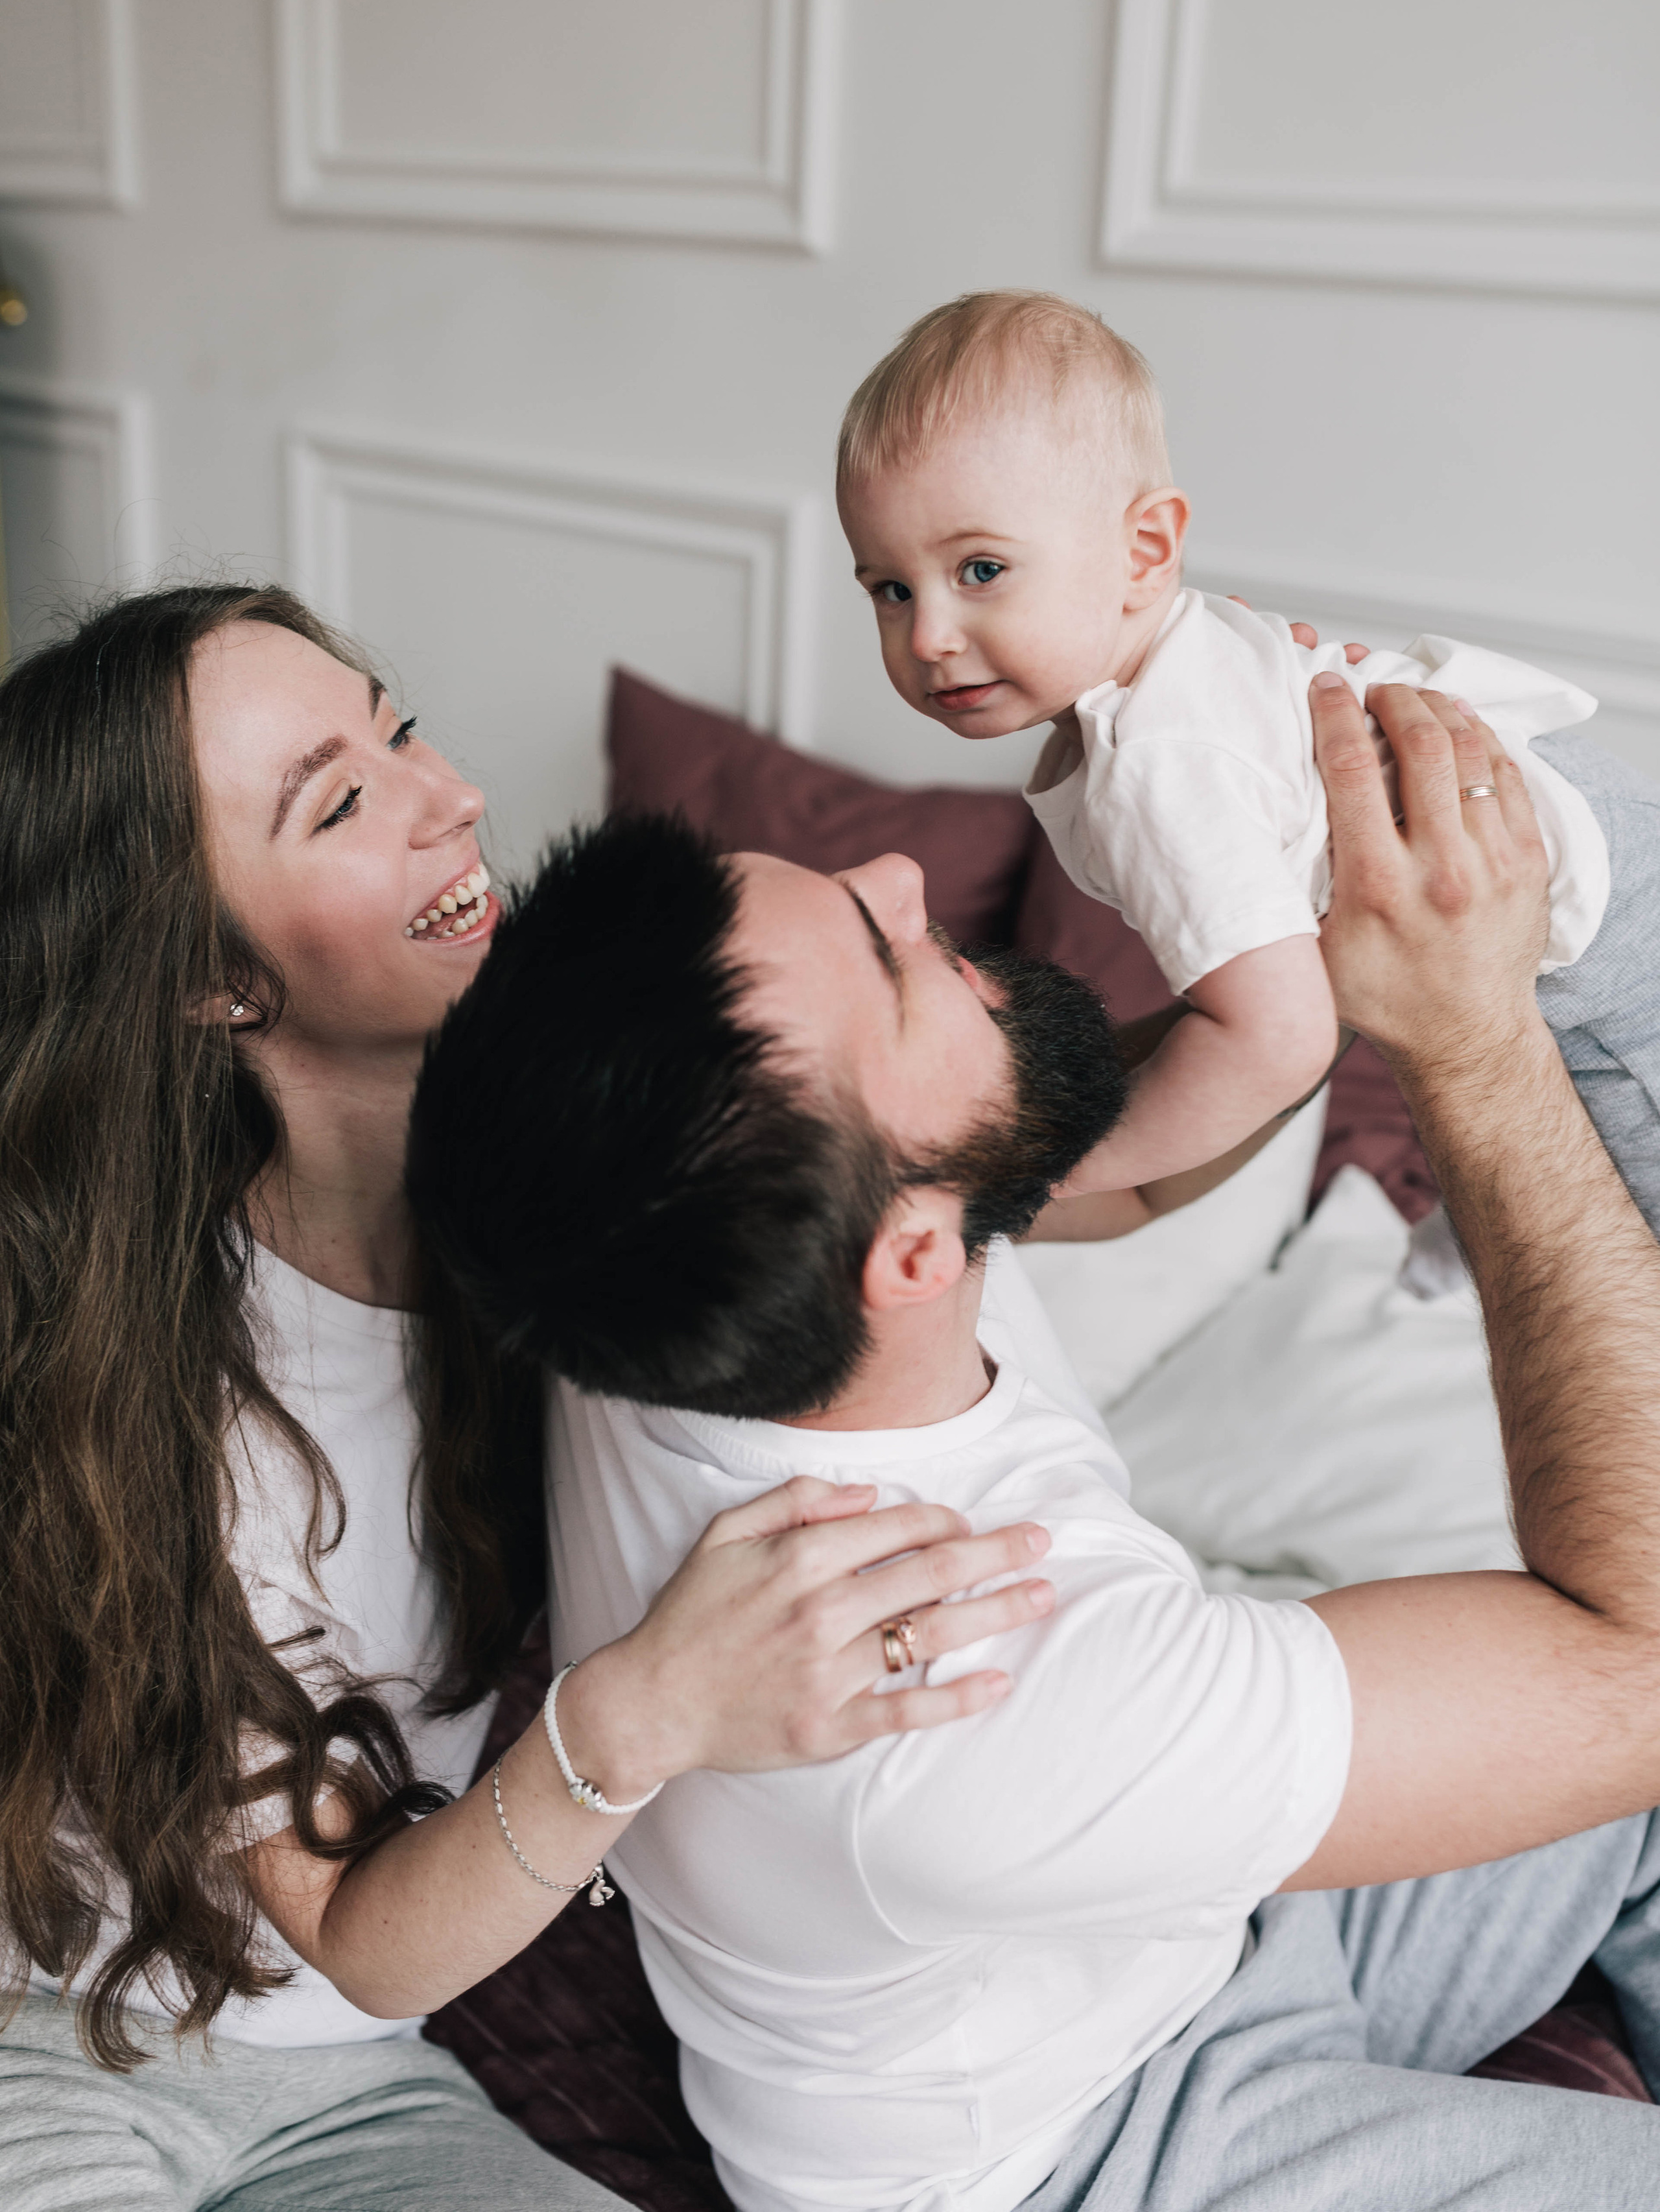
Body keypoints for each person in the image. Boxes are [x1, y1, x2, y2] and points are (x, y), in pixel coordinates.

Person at [412, 679, 1660, 2212]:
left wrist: (1267, 922)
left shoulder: (632, 1249)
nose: (901, 877)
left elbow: (1109, 1154)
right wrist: (1474, 1049)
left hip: (1176, 1923)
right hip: (1072, 2151)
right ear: (912, 1260)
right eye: (890, 960)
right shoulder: (984, 1687)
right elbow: (1635, 1665)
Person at [0, 583, 1067, 2212]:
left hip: (358, 2085)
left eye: (401, 729)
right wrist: (652, 1707)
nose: (456, 798)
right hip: (57, 2048)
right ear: (214, 984)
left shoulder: (573, 1195)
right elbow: (360, 1939)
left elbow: (1025, 1157)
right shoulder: (153, 1396)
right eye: (346, 800)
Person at [834, 289, 1660, 1227]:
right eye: (891, 588)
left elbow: (1279, 1039)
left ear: (1146, 551)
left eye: (981, 570)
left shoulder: (1154, 763)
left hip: (1611, 945)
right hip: (1594, 823)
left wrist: (1060, 1170)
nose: (930, 634)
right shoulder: (1180, 659)